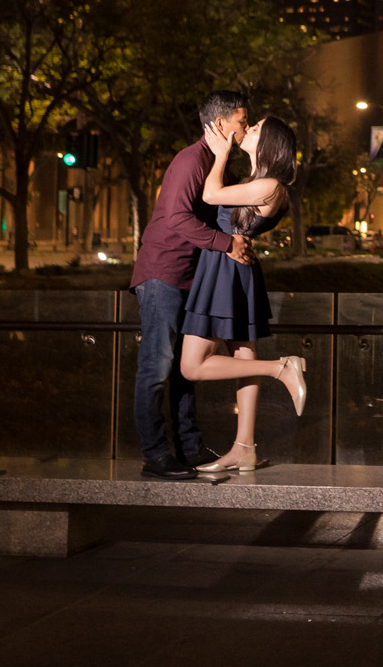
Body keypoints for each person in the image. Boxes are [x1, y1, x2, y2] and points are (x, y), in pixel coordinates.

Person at [126, 92, 257, 480]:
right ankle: (155, 455)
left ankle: (189, 447)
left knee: (187, 369)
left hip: (192, 277)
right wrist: (228, 244)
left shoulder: (216, 165)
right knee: (157, 367)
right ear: (219, 125)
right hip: (163, 274)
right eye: (242, 122)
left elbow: (232, 210)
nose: (246, 129)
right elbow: (177, 218)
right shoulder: (189, 161)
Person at [177, 115, 308, 472]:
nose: (248, 130)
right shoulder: (260, 182)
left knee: (191, 366)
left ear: (270, 143)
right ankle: (244, 447)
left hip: (224, 271)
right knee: (242, 359)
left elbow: (210, 194)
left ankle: (282, 368)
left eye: (256, 128)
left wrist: (219, 154)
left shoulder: (268, 185)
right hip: (234, 268)